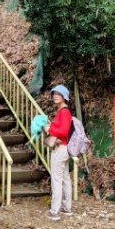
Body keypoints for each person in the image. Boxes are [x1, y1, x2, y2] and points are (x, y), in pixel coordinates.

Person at [45, 84, 73, 220]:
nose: (55, 96)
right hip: (64, 148)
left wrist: (49, 130)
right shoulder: (62, 111)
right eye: (54, 93)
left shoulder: (64, 112)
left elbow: (63, 131)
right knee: (65, 178)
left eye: (58, 94)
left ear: (64, 97)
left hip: (60, 149)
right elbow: (61, 129)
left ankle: (54, 211)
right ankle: (67, 208)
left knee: (57, 179)